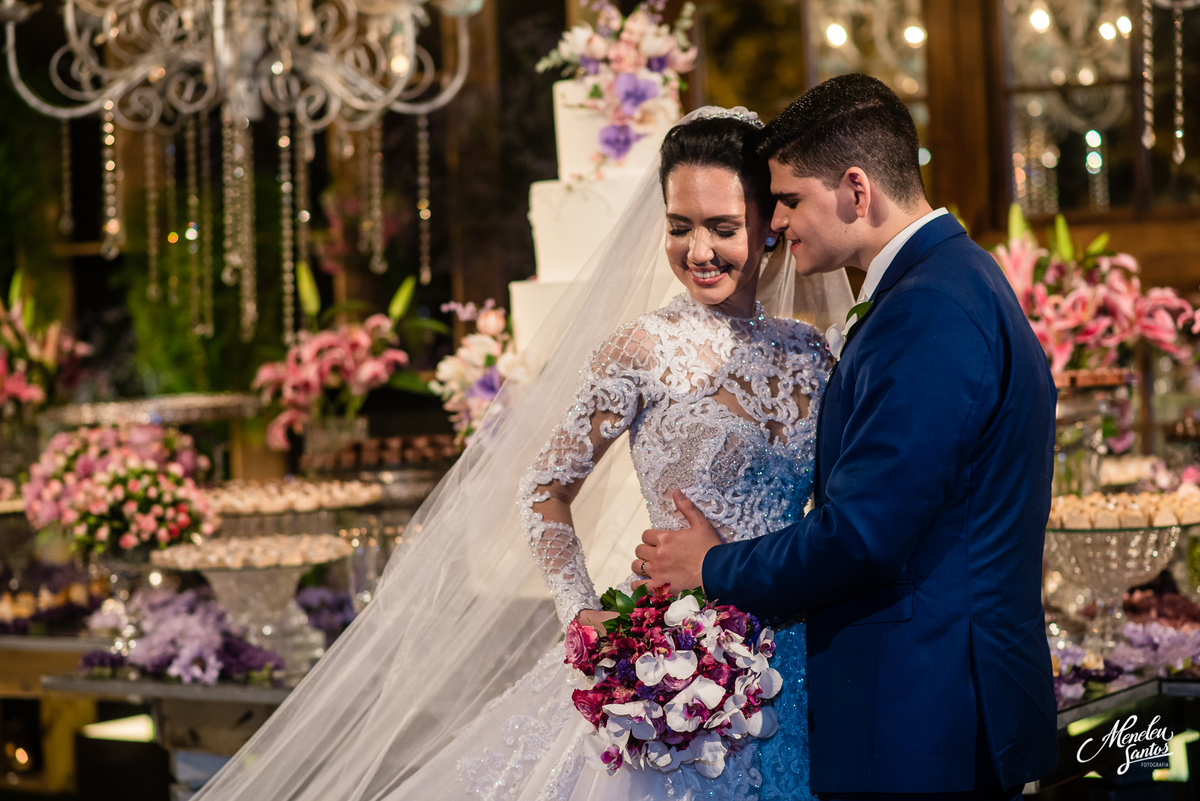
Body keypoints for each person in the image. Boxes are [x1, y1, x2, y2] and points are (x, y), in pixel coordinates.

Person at [191, 108, 852, 801]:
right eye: (679, 225)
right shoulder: (639, 351)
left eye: (722, 226)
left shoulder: (811, 352)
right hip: (672, 667)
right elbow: (542, 488)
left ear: (769, 222)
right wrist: (584, 614)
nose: (698, 250)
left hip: (793, 660)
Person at [636, 75, 1059, 801]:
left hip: (918, 712)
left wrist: (714, 565)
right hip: (946, 695)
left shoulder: (925, 311)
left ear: (856, 191)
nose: (776, 223)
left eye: (791, 199)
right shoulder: (958, 278)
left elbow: (865, 533)